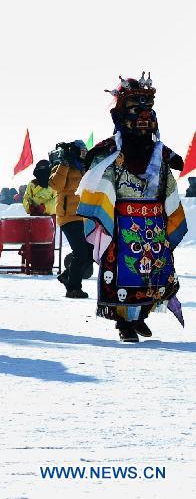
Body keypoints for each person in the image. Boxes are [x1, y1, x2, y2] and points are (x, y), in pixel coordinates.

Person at [77, 74, 187, 342]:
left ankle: (139, 317)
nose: (144, 115)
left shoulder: (161, 154)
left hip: (154, 223)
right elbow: (96, 182)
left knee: (152, 272)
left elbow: (168, 184)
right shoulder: (109, 152)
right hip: (122, 222)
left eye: (148, 108)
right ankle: (123, 323)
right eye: (136, 108)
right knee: (120, 273)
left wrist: (166, 213)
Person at [50, 140, 93, 298]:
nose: (83, 155)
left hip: (84, 216)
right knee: (81, 253)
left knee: (90, 253)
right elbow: (55, 185)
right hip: (68, 216)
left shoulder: (84, 167)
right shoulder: (62, 165)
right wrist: (63, 164)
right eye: (81, 152)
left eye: (85, 152)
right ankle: (73, 288)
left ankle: (68, 275)